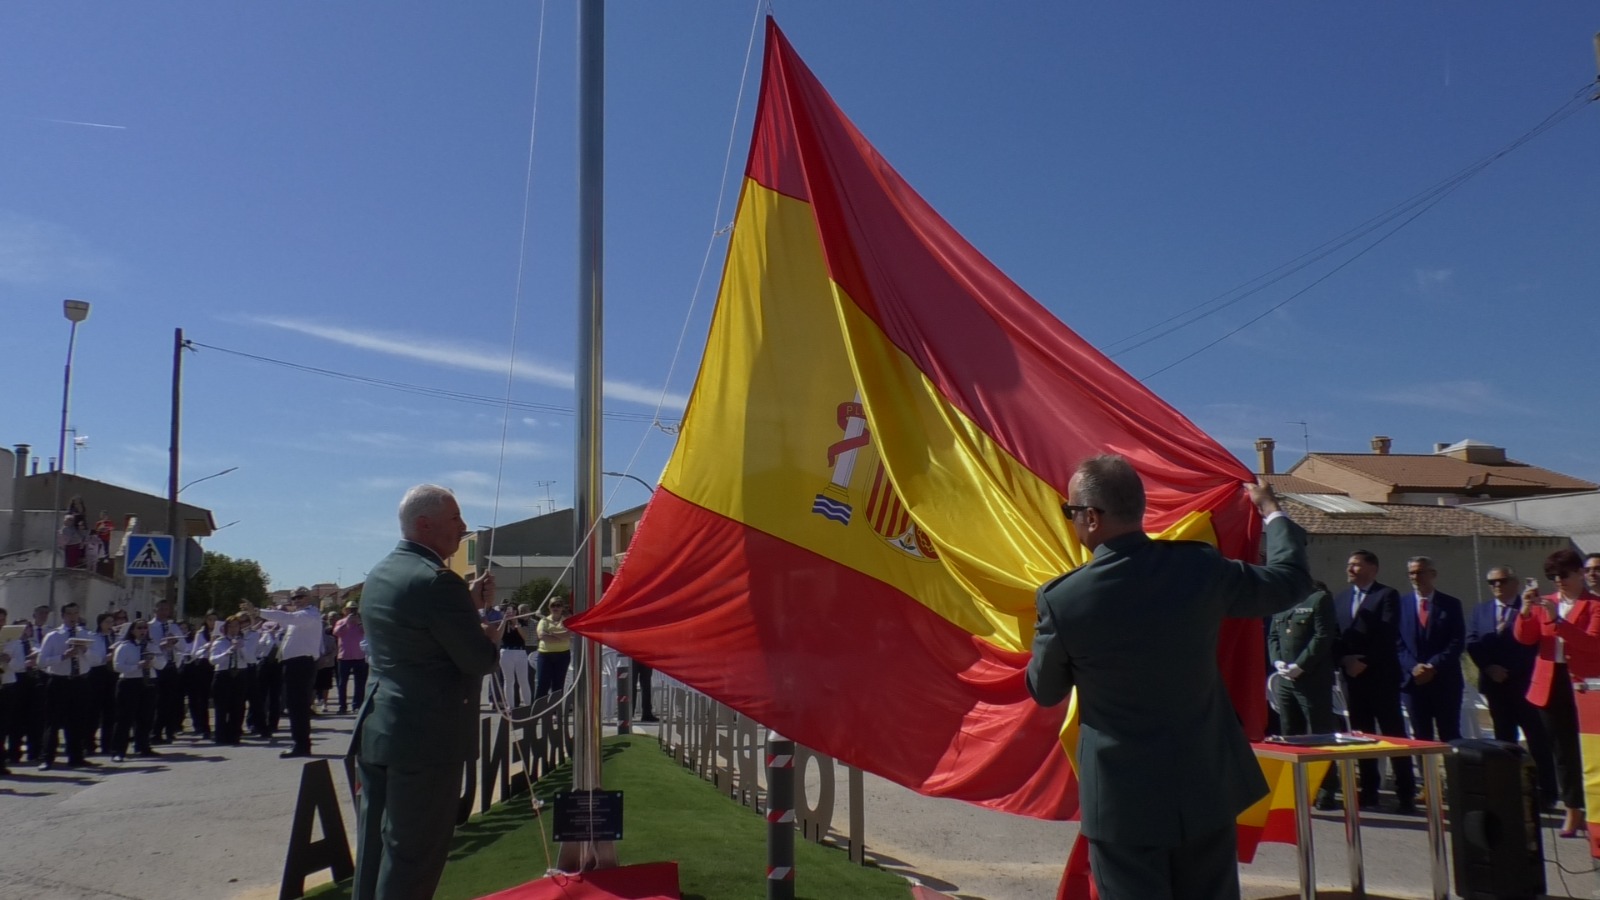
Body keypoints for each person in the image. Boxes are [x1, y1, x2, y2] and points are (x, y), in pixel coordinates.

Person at [1026, 455, 1309, 900]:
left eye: (1071, 512)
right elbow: (1289, 582)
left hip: (1125, 802)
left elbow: (1045, 691)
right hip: (1205, 787)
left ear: (1093, 518)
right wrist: (1272, 513)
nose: (1072, 523)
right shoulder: (1198, 568)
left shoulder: (1064, 600)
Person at [351, 484, 502, 900]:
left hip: (381, 729)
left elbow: (417, 633)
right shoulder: (439, 582)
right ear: (424, 524)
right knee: (413, 857)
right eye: (455, 518)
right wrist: (490, 636)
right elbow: (478, 659)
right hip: (427, 739)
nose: (463, 527)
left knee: (375, 850)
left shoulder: (382, 573)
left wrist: (465, 607)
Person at [1513, 548, 1600, 837]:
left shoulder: (1594, 605)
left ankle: (1593, 810)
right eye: (1553, 576)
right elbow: (1525, 639)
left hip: (1585, 685)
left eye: (1563, 575)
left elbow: (1593, 644)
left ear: (1579, 574)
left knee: (1591, 750)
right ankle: (1573, 810)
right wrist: (1525, 611)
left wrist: (1559, 622)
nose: (1558, 581)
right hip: (1551, 683)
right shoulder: (1546, 603)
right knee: (1562, 751)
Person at [1332, 550, 1414, 812]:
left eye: (1356, 564)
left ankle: (1406, 792)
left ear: (1372, 568)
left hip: (1380, 676)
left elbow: (1386, 634)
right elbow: (1335, 636)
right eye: (1348, 564)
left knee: (1393, 734)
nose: (1350, 569)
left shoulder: (1386, 596)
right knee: (1361, 735)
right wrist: (1345, 660)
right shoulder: (1342, 599)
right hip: (1352, 679)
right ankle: (1368, 791)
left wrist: (1363, 661)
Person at [1466, 564, 1556, 806]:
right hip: (1495, 686)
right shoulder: (1481, 610)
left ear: (1515, 583)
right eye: (1492, 582)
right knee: (1504, 741)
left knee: (1537, 740)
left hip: (1525, 684)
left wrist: (1511, 671)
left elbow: (1534, 644)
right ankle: (1511, 790)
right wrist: (1489, 668)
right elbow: (1473, 642)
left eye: (1502, 581)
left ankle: (1547, 791)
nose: (1497, 586)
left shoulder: (1529, 608)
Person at [1267, 581, 1339, 808]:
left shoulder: (1319, 599)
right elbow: (1273, 636)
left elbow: (1323, 636)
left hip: (1312, 679)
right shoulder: (1282, 602)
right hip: (1286, 680)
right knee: (1291, 734)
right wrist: (1277, 660)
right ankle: (1296, 789)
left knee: (1320, 735)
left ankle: (1326, 791)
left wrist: (1301, 665)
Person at [245, 587, 323, 758]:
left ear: (308, 598)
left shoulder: (309, 615)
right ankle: (301, 743)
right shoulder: (299, 618)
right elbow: (284, 620)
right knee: (295, 706)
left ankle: (301, 744)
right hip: (293, 664)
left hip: (301, 664)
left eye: (300, 597)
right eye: (294, 598)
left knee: (298, 706)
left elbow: (286, 617)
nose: (297, 600)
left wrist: (258, 611)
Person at [1396, 556, 1465, 743]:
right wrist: (1413, 667)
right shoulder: (1400, 605)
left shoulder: (1451, 605)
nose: (1415, 577)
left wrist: (1432, 666)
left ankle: (1453, 773)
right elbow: (1396, 642)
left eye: (1420, 572)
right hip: (1413, 683)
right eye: (1411, 573)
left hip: (1445, 682)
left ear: (1432, 574)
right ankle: (1427, 773)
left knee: (1450, 735)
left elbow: (1457, 641)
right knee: (1420, 738)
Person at [37, 601, 106, 769]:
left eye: (75, 613)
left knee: (78, 721)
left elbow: (98, 660)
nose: (73, 617)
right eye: (69, 614)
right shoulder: (54, 636)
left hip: (80, 681)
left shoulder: (87, 634)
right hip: (59, 681)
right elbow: (41, 661)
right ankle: (47, 758)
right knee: (53, 722)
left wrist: (85, 651)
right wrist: (62, 656)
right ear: (63, 616)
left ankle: (76, 756)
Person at [110, 620, 165, 761]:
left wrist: (153, 661)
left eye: (145, 628)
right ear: (132, 630)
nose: (143, 630)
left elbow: (162, 664)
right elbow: (118, 667)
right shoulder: (125, 646)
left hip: (148, 683)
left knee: (146, 717)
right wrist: (137, 666)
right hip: (130, 683)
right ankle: (118, 750)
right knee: (124, 719)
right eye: (139, 628)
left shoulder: (152, 645)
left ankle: (143, 746)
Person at [209, 614, 257, 745]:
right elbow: (213, 660)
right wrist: (228, 651)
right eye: (230, 626)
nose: (233, 628)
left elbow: (251, 660)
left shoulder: (245, 642)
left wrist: (241, 648)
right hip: (223, 674)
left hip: (240, 675)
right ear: (226, 627)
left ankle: (234, 735)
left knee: (238, 707)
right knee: (222, 708)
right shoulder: (220, 642)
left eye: (236, 626)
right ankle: (220, 736)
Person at [146, 600, 187, 743]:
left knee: (170, 701)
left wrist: (175, 641)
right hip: (157, 667)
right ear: (155, 609)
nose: (164, 612)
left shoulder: (173, 626)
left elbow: (184, 647)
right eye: (161, 609)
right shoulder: (149, 627)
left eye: (166, 609)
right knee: (158, 701)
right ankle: (155, 732)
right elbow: (148, 645)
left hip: (171, 665)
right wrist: (161, 646)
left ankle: (170, 731)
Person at [88, 612, 119, 755]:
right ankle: (89, 743)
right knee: (94, 712)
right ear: (100, 623)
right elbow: (90, 658)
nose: (110, 625)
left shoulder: (116, 638)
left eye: (112, 622)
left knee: (111, 711)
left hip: (113, 674)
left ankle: (108, 744)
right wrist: (104, 658)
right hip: (98, 674)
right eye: (107, 622)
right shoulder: (93, 638)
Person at [186, 611, 219, 741]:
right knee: (202, 698)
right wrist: (208, 644)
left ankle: (220, 726)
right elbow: (195, 653)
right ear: (206, 620)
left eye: (215, 620)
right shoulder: (201, 634)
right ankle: (204, 727)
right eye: (210, 619)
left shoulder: (222, 632)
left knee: (218, 698)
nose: (212, 622)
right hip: (203, 665)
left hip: (217, 665)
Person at [333, 603, 368, 715]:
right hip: (344, 657)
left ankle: (357, 705)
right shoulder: (341, 622)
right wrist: (347, 623)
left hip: (359, 656)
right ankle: (342, 706)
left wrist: (358, 623)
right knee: (342, 683)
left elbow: (366, 632)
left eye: (354, 609)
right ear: (345, 611)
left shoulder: (362, 623)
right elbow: (336, 633)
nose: (352, 611)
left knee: (360, 683)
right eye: (350, 609)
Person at [535, 598, 573, 699]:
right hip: (545, 655)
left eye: (558, 605)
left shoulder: (566, 621)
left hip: (563, 655)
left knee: (558, 684)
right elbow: (541, 636)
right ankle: (539, 711)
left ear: (562, 607)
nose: (555, 608)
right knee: (543, 683)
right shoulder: (544, 621)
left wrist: (551, 633)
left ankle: (556, 711)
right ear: (549, 607)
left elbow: (568, 634)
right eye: (553, 605)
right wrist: (560, 636)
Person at [496, 603, 531, 709]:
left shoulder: (521, 621)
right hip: (506, 651)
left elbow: (525, 637)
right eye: (508, 611)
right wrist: (504, 621)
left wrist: (516, 623)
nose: (511, 613)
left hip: (520, 652)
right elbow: (499, 636)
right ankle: (510, 706)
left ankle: (528, 705)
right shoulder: (502, 622)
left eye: (513, 610)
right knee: (509, 680)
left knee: (523, 680)